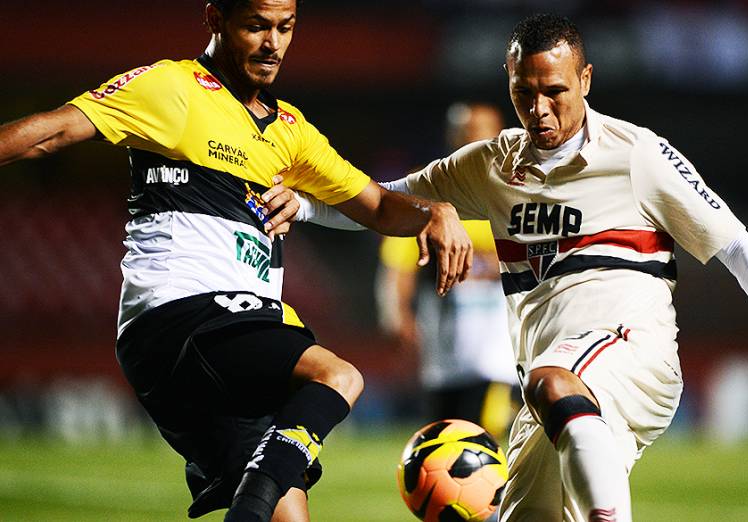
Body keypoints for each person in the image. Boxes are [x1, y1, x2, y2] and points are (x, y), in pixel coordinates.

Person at [294, 13, 748, 522]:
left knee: (553, 381)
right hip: (550, 388)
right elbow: (383, 201)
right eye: (523, 94)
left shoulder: (636, 153)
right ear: (508, 80)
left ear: (585, 79)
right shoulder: (492, 164)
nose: (539, 110)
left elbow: (731, 240)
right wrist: (302, 206)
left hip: (630, 351)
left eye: (555, 91)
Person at [0, 1, 473, 521]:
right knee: (337, 377)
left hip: (234, 338)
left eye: (285, 28)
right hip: (182, 315)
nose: (272, 43)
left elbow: (378, 205)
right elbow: (51, 132)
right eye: (256, 26)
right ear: (215, 20)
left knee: (287, 513)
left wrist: (436, 212)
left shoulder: (291, 131)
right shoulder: (172, 88)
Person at [377, 103, 518, 442]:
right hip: (446, 331)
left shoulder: (518, 188)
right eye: (466, 133)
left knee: (492, 418)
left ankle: (492, 484)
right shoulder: (429, 188)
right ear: (452, 137)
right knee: (445, 428)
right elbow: (399, 263)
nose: (474, 141)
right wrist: (396, 312)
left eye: (483, 132)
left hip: (502, 328)